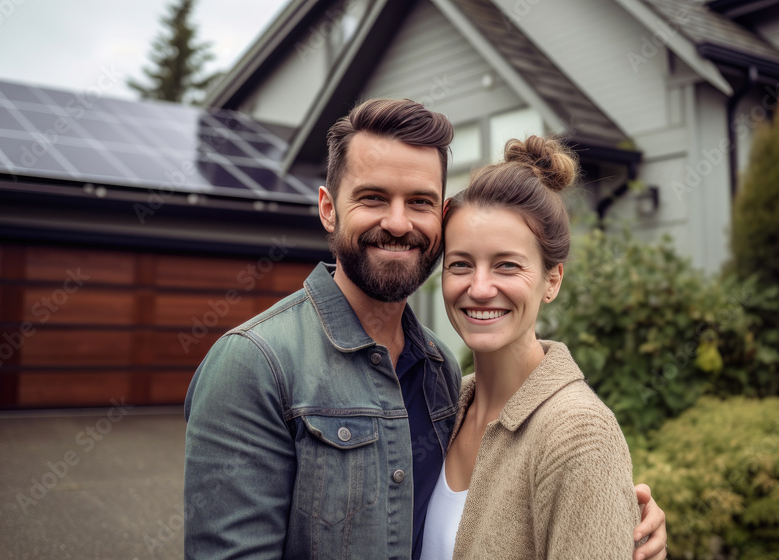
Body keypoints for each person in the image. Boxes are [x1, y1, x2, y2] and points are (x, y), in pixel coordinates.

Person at [183, 98, 667, 560]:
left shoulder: (437, 373)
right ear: (328, 208)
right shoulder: (254, 363)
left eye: (419, 201)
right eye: (373, 197)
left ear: (438, 217)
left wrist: (606, 507)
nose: (398, 223)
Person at [421, 135, 648, 559]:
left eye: (507, 265)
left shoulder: (578, 434)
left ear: (553, 280)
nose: (480, 288)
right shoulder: (441, 406)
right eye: (461, 264)